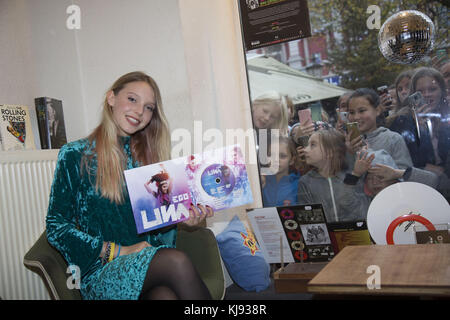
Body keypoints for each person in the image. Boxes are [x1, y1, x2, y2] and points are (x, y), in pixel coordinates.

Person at [46, 71, 213, 300]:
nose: (139, 112)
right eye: (132, 99)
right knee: (177, 261)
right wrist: (117, 250)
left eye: (149, 107)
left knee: (165, 297)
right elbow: (57, 227)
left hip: (151, 267)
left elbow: (159, 229)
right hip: (103, 271)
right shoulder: (75, 155)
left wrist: (187, 219)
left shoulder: (151, 161)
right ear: (111, 98)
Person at [297, 128, 371, 222]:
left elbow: (360, 209)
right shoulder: (305, 182)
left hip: (354, 234)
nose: (305, 150)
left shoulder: (353, 173)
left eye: (313, 145)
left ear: (330, 152)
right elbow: (308, 219)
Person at [346, 88, 413, 169]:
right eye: (352, 112)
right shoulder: (347, 143)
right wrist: (349, 154)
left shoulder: (393, 139)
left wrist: (365, 153)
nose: (356, 117)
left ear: (377, 110)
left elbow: (405, 173)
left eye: (362, 111)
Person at [261, 135, 300, 207]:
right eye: (271, 155)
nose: (276, 160)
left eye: (282, 156)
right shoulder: (261, 181)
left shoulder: (299, 184)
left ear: (291, 160)